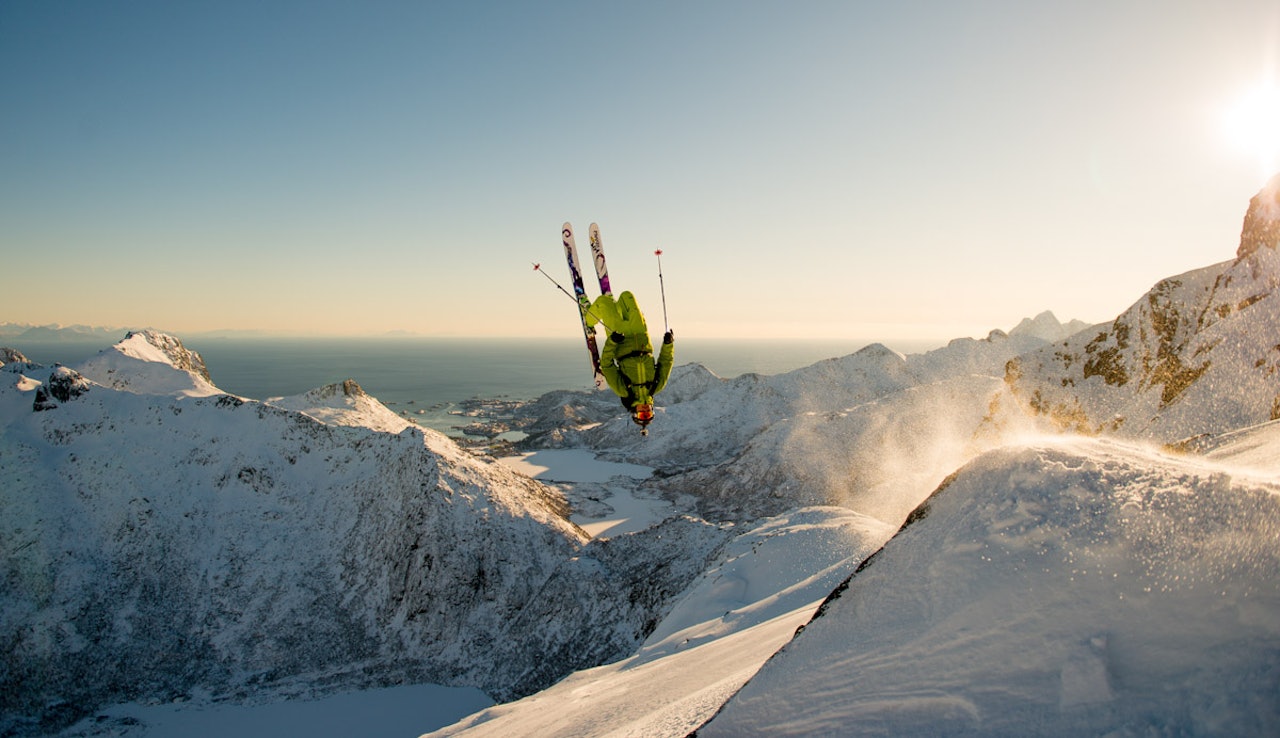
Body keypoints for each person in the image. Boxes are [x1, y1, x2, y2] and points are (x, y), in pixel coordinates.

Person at [581, 290, 674, 434]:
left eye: (642, 415)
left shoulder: (624, 390)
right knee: (627, 296)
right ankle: (615, 307)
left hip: (621, 339)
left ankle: (589, 320)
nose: (645, 411)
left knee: (603, 302)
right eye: (648, 414)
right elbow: (666, 361)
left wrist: (612, 341)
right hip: (640, 334)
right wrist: (668, 344)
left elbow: (606, 364)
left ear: (634, 412)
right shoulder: (657, 386)